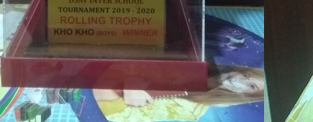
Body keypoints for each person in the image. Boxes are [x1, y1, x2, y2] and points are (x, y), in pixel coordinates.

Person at [93, 64, 264, 121]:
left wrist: (124, 88)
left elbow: (122, 116)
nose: (241, 79)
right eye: (247, 75)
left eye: (251, 86)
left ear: (246, 96)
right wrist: (129, 76)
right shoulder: (199, 58)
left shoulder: (192, 110)